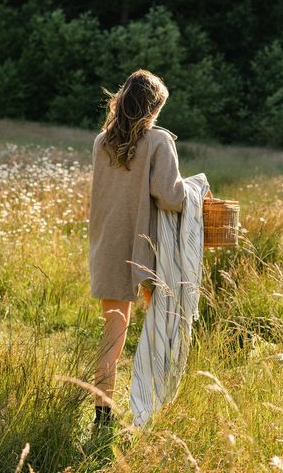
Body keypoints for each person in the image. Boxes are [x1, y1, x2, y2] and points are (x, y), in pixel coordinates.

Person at [88, 68, 186, 427]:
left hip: (108, 245)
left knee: (112, 337)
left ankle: (102, 418)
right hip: (148, 251)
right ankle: (155, 410)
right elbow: (171, 196)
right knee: (161, 329)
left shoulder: (102, 141)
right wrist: (197, 191)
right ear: (151, 107)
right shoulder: (159, 141)